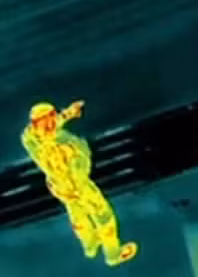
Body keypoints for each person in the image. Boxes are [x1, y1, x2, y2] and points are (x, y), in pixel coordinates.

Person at [21, 101, 138, 267]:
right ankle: (112, 253)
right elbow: (49, 134)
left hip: (61, 184)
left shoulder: (33, 138)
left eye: (52, 117)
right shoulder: (47, 140)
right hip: (75, 182)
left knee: (78, 215)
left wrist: (68, 114)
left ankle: (90, 245)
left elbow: (47, 129)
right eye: (48, 118)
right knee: (103, 215)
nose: (52, 121)